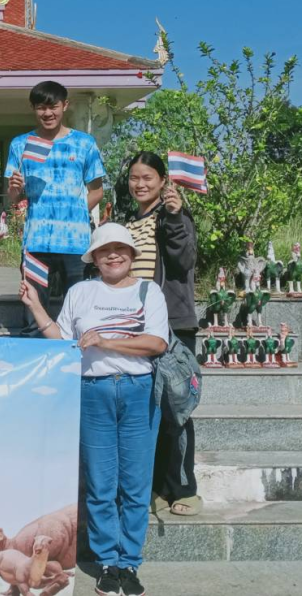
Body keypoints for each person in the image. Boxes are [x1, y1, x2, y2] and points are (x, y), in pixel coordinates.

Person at [20, 222, 168, 596]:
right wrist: (37, 308)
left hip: (137, 391)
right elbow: (64, 342)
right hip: (92, 392)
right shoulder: (81, 292)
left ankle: (129, 563)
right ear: (95, 258)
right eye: (105, 250)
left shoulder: (149, 292)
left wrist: (107, 341)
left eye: (120, 249)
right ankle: (106, 563)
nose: (113, 255)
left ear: (132, 255)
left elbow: (156, 343)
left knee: (135, 485)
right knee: (101, 486)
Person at [120, 151, 200, 517]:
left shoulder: (175, 216)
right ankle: (151, 486)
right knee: (142, 411)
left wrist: (174, 216)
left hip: (173, 326)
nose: (140, 184)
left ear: (163, 180)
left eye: (148, 178)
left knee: (176, 409)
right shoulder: (127, 221)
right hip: (138, 327)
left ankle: (183, 487)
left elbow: (183, 261)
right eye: (135, 177)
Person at [5, 80, 106, 331]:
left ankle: (78, 364)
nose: (47, 113)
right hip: (37, 242)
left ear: (65, 106)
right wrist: (16, 189)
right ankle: (34, 360)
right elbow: (14, 197)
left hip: (76, 245)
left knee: (80, 311)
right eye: (41, 107)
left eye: (54, 107)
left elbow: (97, 190)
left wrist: (75, 214)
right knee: (33, 310)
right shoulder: (20, 144)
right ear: (33, 109)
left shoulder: (84, 143)